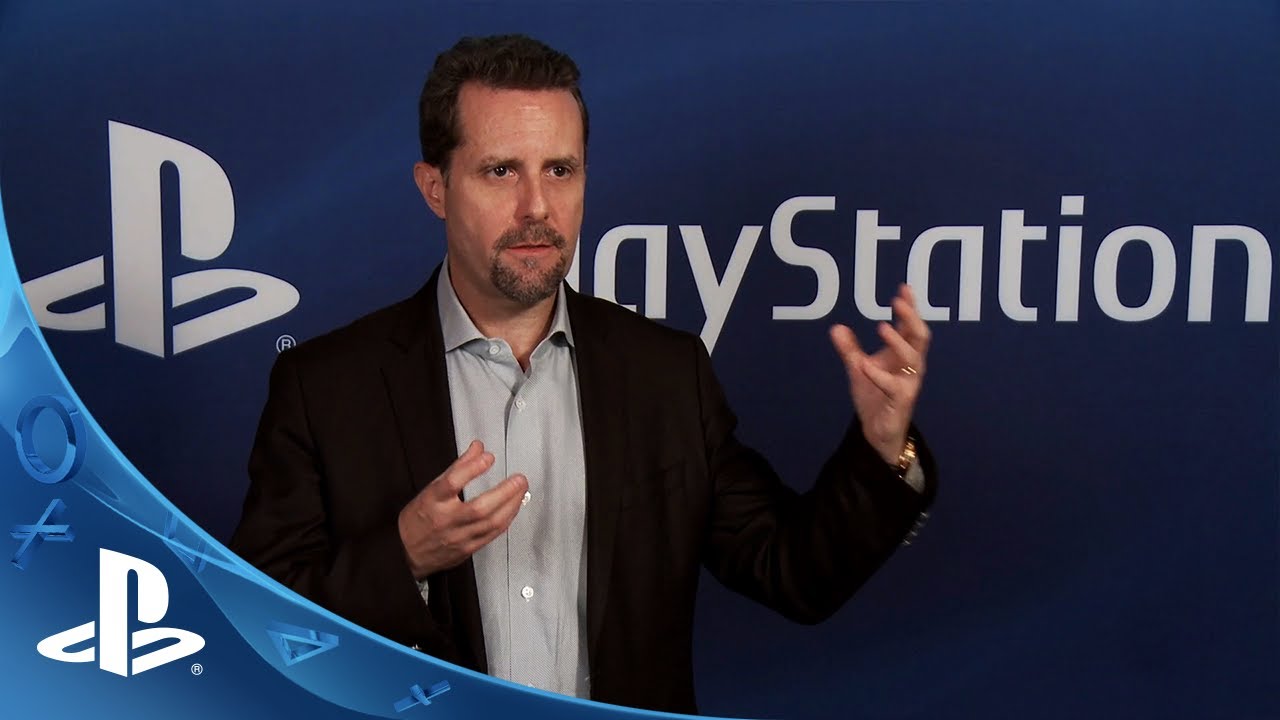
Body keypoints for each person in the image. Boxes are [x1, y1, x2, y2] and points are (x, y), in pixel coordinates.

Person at [231, 34, 937, 714]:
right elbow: (256, 632)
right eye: (501, 171)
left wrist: (883, 449)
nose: (537, 207)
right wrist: (404, 557)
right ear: (435, 188)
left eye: (560, 171)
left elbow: (794, 573)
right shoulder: (325, 388)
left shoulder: (665, 376)